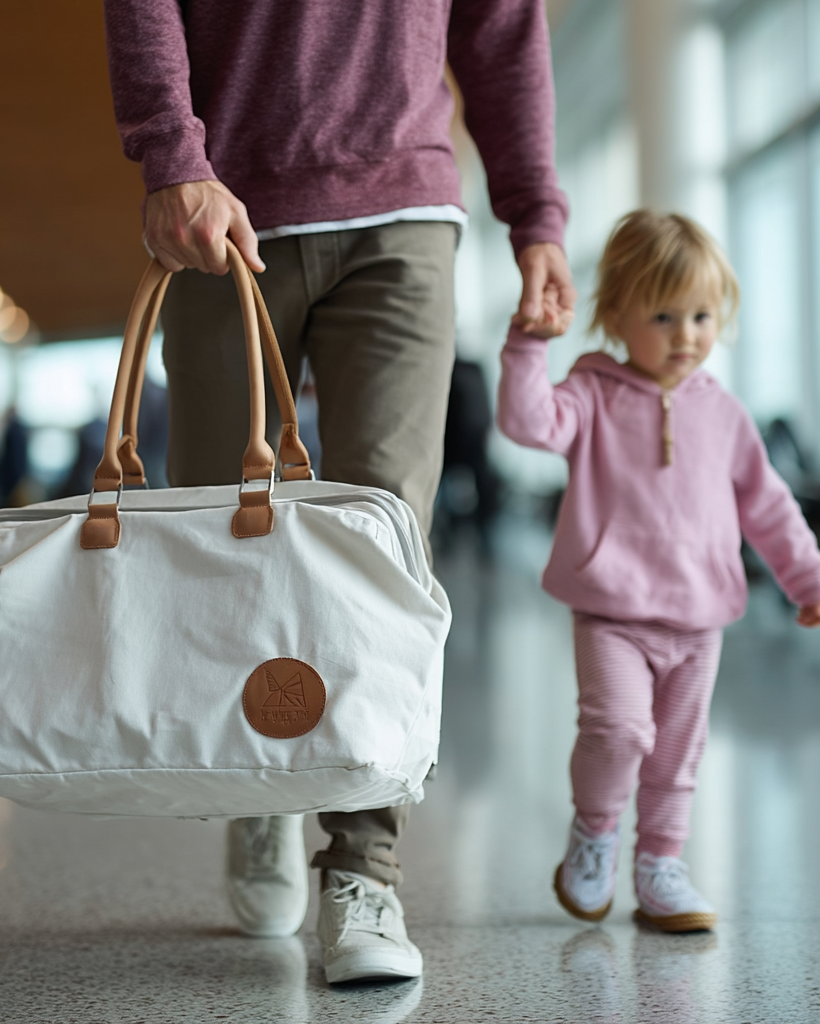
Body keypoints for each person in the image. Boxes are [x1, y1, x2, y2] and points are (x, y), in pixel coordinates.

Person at [102, 0, 575, 983]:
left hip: (402, 212)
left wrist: (535, 213)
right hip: (220, 200)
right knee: (220, 537)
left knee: (382, 546)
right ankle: (260, 787)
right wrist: (172, 155)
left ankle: (365, 866)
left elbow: (500, 27)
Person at [497, 209, 820, 933]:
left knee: (678, 749)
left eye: (703, 316)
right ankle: (596, 831)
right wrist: (527, 344)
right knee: (616, 733)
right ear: (617, 314)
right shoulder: (592, 394)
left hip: (699, 620)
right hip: (612, 611)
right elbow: (527, 424)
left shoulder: (725, 414)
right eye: (665, 315)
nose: (687, 335)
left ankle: (661, 864)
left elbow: (768, 505)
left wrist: (808, 579)